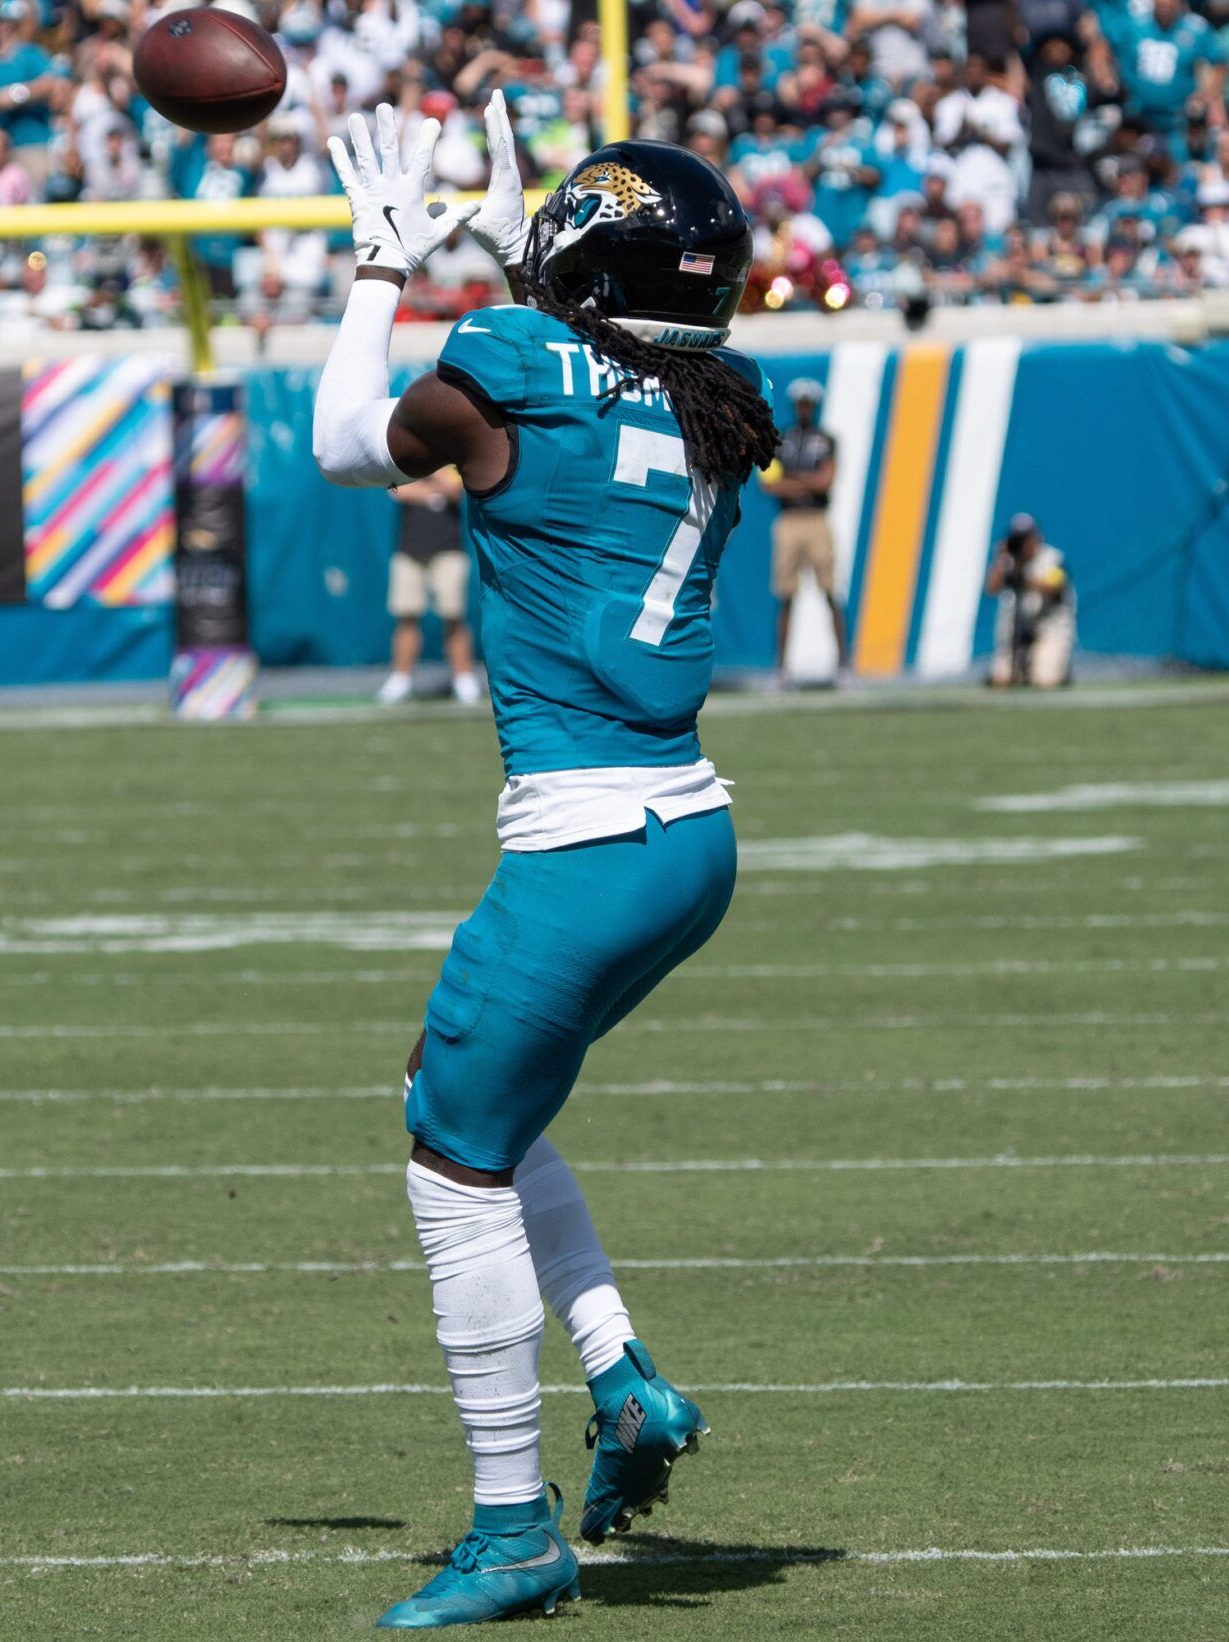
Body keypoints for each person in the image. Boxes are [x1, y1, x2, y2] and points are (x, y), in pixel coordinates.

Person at [314, 93, 775, 1628]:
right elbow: (608, 374)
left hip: (583, 841)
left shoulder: (517, 363)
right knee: (469, 1107)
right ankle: (622, 1375)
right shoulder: (714, 396)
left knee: (452, 1164)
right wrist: (537, 266)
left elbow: (340, 443)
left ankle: (512, 1524)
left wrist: (381, 267)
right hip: (687, 833)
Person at [764, 377, 849, 681]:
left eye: (808, 403)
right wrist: (806, 482)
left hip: (816, 518)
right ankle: (781, 669)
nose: (804, 408)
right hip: (789, 520)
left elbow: (826, 480)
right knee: (786, 593)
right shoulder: (781, 439)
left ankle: (842, 666)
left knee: (829, 589)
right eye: (800, 402)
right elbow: (770, 484)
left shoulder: (825, 439)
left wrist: (793, 481)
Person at [377, 466, 482, 706]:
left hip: (448, 550)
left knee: (453, 616)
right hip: (410, 550)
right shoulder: (406, 461)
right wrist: (432, 491)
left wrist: (433, 475)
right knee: (406, 616)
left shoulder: (451, 461)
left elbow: (455, 490)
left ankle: (464, 679)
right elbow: (398, 492)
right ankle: (400, 680)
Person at [986, 511, 1075, 686]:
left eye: (1026, 538)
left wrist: (1022, 576)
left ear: (1036, 537)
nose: (1023, 544)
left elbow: (1054, 586)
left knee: (1044, 680)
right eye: (1018, 539)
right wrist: (1000, 560)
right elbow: (991, 589)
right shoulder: (1008, 561)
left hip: (1048, 631)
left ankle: (1057, 669)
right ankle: (1021, 669)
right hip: (1016, 633)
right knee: (1001, 680)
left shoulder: (1053, 558)